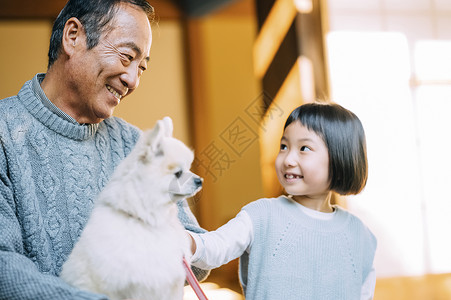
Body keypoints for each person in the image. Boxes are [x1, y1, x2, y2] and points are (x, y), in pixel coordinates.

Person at [0, 0, 208, 299]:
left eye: (142, 67)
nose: (133, 80)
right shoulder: (5, 133)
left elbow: (196, 257)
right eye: (126, 57)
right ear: (73, 36)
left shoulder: (136, 145)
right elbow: (5, 268)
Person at [188, 102, 377, 300]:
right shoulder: (260, 215)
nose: (288, 160)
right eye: (284, 146)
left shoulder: (361, 236)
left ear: (340, 158)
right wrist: (184, 241)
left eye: (304, 148)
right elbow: (215, 246)